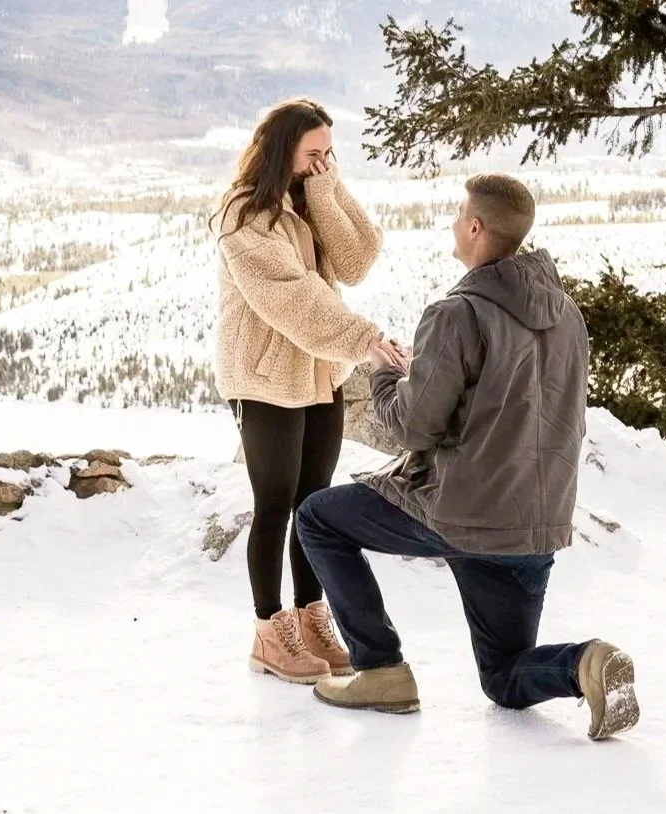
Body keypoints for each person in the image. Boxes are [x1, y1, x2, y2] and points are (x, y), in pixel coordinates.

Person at [295, 173, 640, 740]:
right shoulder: (567, 314)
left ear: (477, 228)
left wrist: (387, 377)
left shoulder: (457, 314)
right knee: (504, 678)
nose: (455, 223)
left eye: (460, 215)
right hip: (535, 526)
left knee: (318, 519)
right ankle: (586, 663)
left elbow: (413, 427)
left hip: (464, 515)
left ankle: (380, 669)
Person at [210, 98, 405, 685]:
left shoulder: (308, 196)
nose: (323, 162)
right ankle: (271, 632)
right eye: (313, 154)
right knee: (274, 507)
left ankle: (311, 617)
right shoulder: (244, 215)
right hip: (266, 377)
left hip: (320, 372)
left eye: (329, 153)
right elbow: (289, 296)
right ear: (281, 149)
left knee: (313, 506)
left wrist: (327, 189)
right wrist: (362, 336)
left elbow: (357, 259)